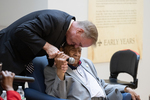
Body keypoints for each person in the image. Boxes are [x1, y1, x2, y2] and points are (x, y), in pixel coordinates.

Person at [0, 9, 98, 91]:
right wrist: (47, 46)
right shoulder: (54, 19)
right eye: (79, 43)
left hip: (21, 62)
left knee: (15, 94)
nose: (76, 46)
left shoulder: (66, 32)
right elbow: (21, 30)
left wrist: (57, 64)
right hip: (5, 52)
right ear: (79, 31)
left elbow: (51, 49)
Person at [44, 44, 141, 100]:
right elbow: (59, 97)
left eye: (80, 51)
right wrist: (60, 73)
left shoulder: (86, 62)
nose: (77, 54)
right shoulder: (51, 70)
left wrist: (126, 89)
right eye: (73, 50)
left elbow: (101, 84)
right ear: (62, 50)